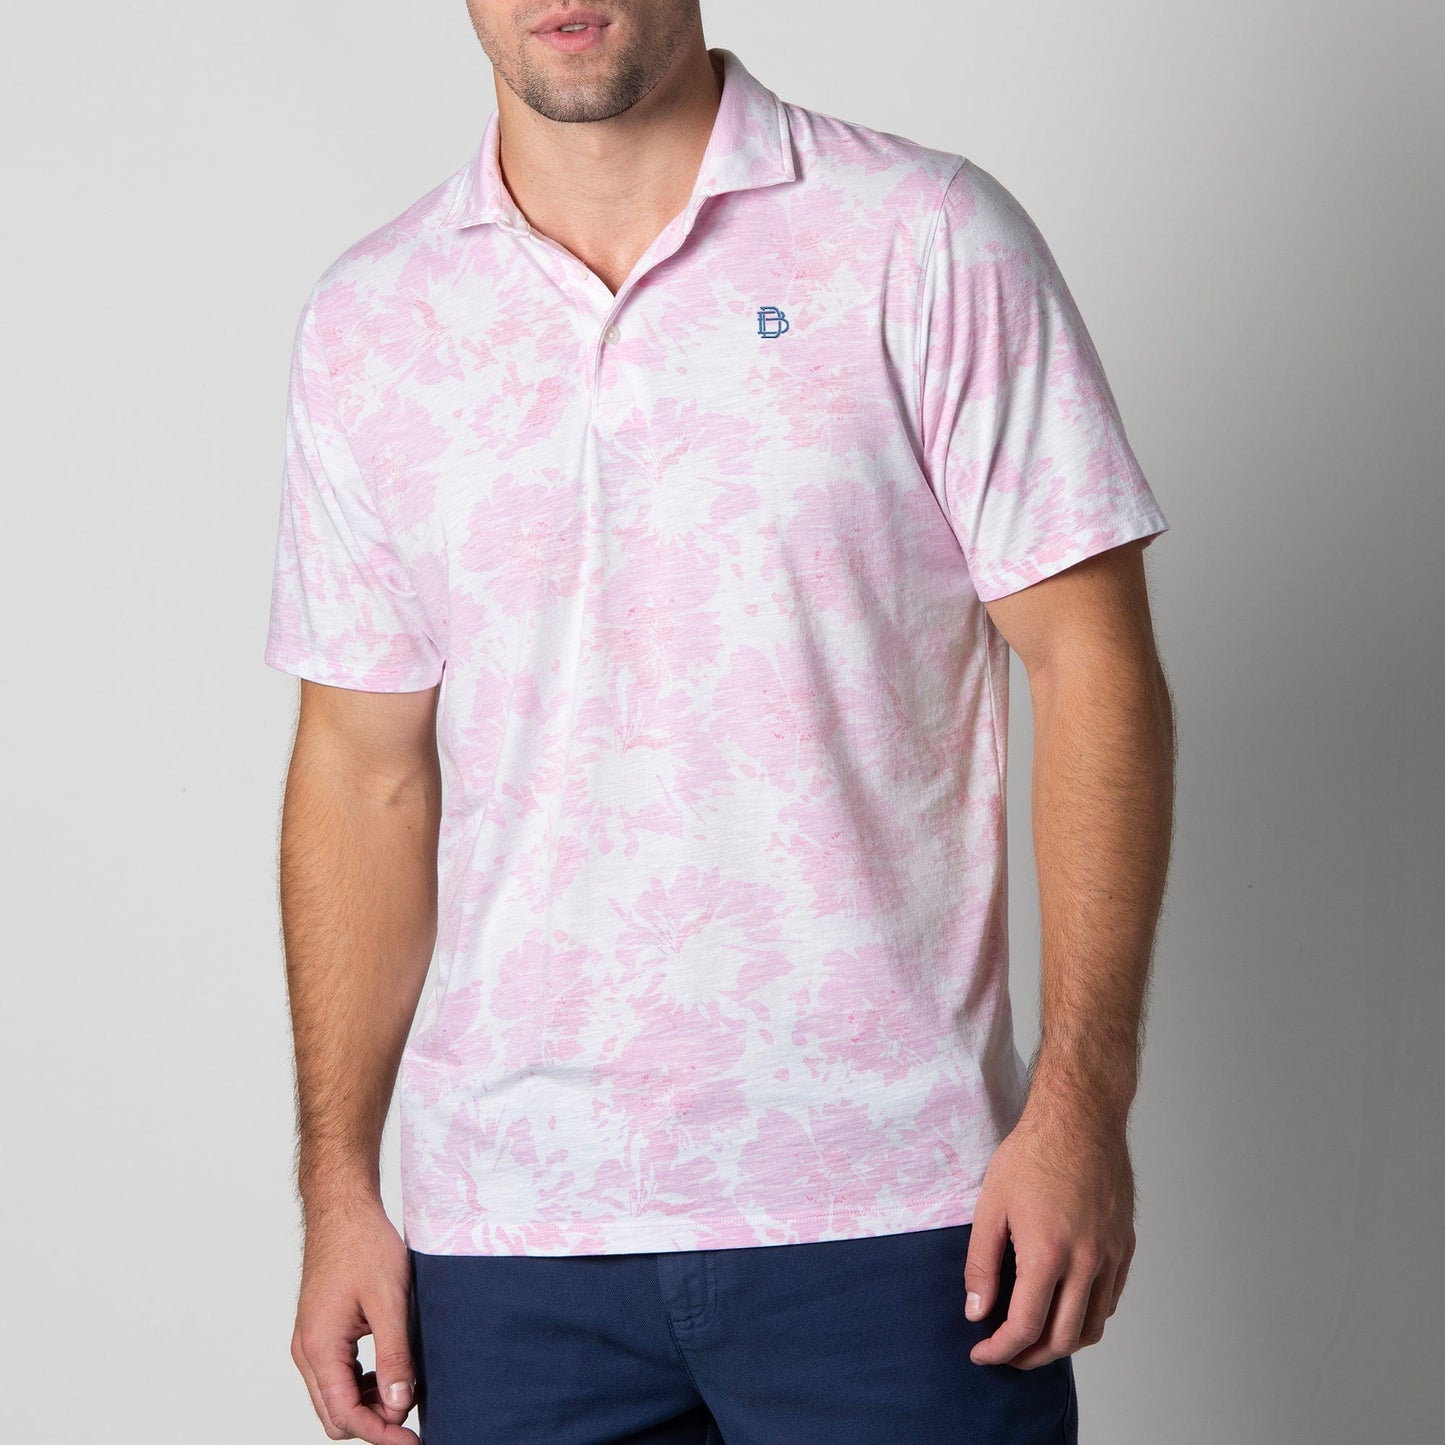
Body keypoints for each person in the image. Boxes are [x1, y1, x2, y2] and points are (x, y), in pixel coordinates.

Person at [263, 3, 1176, 1441]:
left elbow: (1091, 668)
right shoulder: (374, 319)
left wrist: (1080, 1102)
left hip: (893, 1210)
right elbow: (361, 771)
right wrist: (338, 1189)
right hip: (505, 1237)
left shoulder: (922, 237)